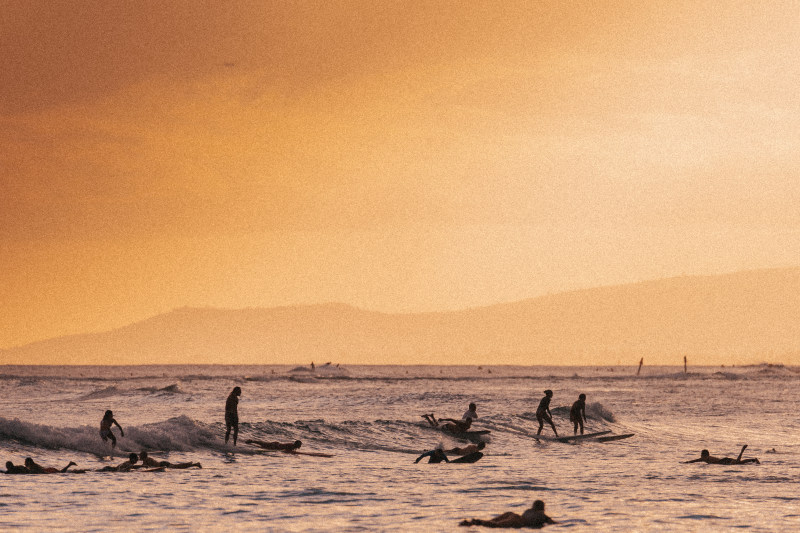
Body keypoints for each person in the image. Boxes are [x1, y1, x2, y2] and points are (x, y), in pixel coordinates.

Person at [459, 499, 556, 528]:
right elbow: (553, 523)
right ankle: (478, 522)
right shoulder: (542, 516)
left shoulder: (528, 511)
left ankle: (475, 522)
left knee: (493, 522)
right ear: (542, 508)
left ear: (533, 506)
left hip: (512, 514)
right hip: (518, 521)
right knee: (497, 525)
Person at [683, 446, 760, 465]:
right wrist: (687, 462)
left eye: (702, 455)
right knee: (739, 463)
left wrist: (686, 463)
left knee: (738, 463)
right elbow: (694, 461)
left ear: (705, 455)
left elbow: (694, 461)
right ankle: (753, 459)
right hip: (723, 460)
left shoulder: (704, 459)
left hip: (723, 461)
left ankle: (742, 451)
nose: (701, 457)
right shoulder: (706, 458)